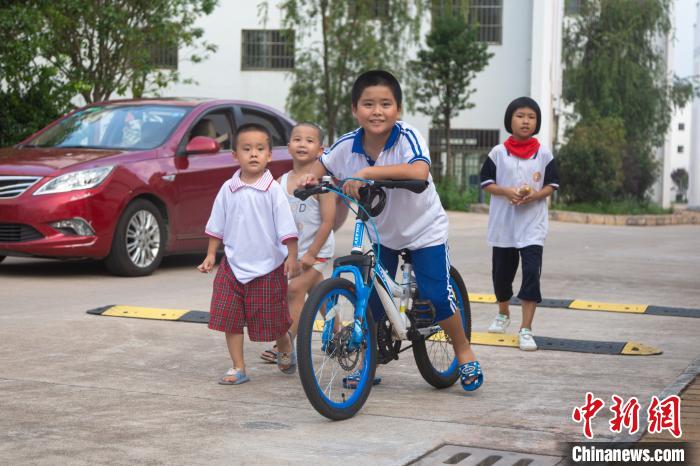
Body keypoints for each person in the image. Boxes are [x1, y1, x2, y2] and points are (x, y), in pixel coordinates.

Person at [299, 69, 483, 391]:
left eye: (386, 104)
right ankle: (368, 359)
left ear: (398, 109)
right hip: (381, 232)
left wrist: (368, 171)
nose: (377, 111)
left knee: (437, 296)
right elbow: (325, 164)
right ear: (355, 109)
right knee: (369, 298)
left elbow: (419, 170)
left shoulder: (407, 136)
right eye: (368, 104)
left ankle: (464, 351)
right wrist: (310, 178)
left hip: (423, 230)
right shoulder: (348, 144)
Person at [198, 123, 300, 385]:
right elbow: (216, 224)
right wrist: (211, 255)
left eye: (259, 149)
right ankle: (238, 367)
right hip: (232, 264)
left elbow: (286, 226)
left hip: (268, 267)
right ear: (235, 155)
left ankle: (285, 343)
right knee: (229, 317)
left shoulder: (273, 190)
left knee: (273, 320)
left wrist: (291, 255)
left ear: (269, 155)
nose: (253, 154)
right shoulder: (227, 189)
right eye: (246, 149)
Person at [479, 96, 560, 351]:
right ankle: (503, 313)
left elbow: (552, 184)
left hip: (532, 227)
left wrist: (535, 195)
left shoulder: (544, 153)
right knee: (501, 276)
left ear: (536, 123)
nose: (526, 121)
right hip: (504, 227)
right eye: (520, 116)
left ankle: (526, 329)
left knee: (531, 275)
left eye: (531, 117)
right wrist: (506, 191)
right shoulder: (498, 153)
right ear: (510, 120)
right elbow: (486, 183)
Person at [259, 122, 336, 364]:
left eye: (309, 140)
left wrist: (312, 254)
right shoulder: (280, 182)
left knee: (295, 291)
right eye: (297, 139)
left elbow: (327, 222)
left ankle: (287, 343)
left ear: (321, 150)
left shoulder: (323, 183)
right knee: (318, 291)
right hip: (293, 253)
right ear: (288, 146)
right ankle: (338, 335)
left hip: (318, 250)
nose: (302, 144)